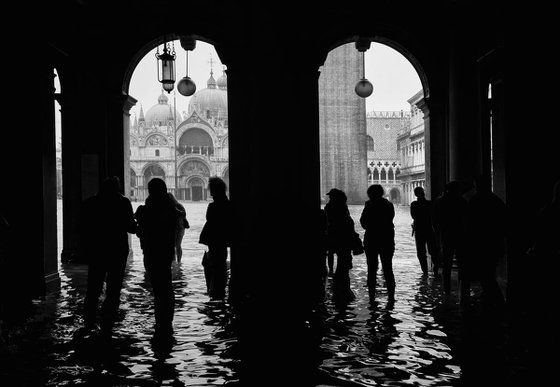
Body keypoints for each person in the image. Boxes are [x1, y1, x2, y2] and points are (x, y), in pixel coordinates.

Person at [78, 176, 137, 337]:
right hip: (117, 250)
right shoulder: (123, 202)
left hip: (96, 250)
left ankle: (88, 324)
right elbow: (131, 228)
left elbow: (81, 227)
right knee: (113, 290)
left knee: (93, 289)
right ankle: (107, 326)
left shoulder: (90, 202)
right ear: (117, 188)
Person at [135, 178, 182, 338]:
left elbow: (139, 232)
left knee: (157, 288)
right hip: (166, 252)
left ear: (149, 191)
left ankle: (160, 323)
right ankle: (167, 322)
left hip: (150, 252)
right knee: (167, 287)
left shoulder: (145, 210)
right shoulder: (172, 210)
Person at [463, 175, 506, 308]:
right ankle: (492, 299)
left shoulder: (475, 201)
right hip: (494, 243)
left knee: (485, 275)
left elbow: (468, 224)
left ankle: (498, 302)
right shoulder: (496, 200)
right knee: (489, 272)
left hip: (480, 244)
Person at [359, 184, 396, 302]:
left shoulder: (368, 205)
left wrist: (371, 227)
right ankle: (391, 297)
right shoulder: (388, 205)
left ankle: (372, 298)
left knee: (371, 268)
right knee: (388, 268)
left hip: (371, 239)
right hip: (386, 239)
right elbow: (390, 220)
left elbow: (363, 221)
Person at [433, 181, 468, 299]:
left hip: (446, 235)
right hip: (460, 236)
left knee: (446, 264)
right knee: (462, 264)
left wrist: (437, 237)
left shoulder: (439, 201)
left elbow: (435, 221)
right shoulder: (461, 201)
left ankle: (446, 290)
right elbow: (467, 219)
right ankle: (463, 291)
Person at [199, 177, 232, 299]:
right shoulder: (229, 205)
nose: (211, 193)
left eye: (212, 190)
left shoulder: (212, 206)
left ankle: (216, 291)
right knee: (220, 262)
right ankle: (218, 290)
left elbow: (210, 221)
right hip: (223, 239)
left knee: (216, 265)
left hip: (214, 239)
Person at [325, 188, 357, 303]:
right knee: (343, 267)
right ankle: (343, 292)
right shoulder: (343, 209)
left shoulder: (329, 208)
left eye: (331, 196)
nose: (329, 198)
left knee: (341, 267)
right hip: (344, 241)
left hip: (335, 239)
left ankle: (339, 292)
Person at [410, 186, 439, 276]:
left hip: (419, 230)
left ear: (415, 194)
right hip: (429, 229)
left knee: (421, 252)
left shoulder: (414, 204)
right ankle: (436, 269)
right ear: (424, 193)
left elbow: (414, 216)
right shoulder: (430, 204)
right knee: (433, 250)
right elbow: (434, 217)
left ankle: (425, 271)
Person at [168, 193, 189, 262]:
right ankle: (174, 261)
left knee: (178, 245)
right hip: (171, 228)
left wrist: (175, 209)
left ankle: (179, 261)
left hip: (180, 227)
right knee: (171, 246)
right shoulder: (166, 207)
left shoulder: (178, 205)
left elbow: (183, 214)